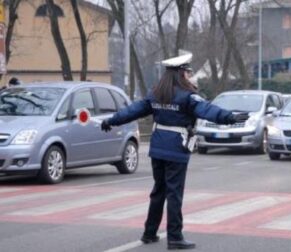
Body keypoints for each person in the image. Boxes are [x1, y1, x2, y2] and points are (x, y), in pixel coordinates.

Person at [100, 53, 248, 250]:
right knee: (174, 194)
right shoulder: (187, 96)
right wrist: (229, 117)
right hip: (176, 150)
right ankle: (175, 237)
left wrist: (112, 120)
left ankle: (149, 232)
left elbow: (133, 110)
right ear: (180, 73)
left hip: (157, 149)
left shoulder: (156, 94)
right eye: (187, 72)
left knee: (158, 191)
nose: (189, 75)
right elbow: (207, 110)